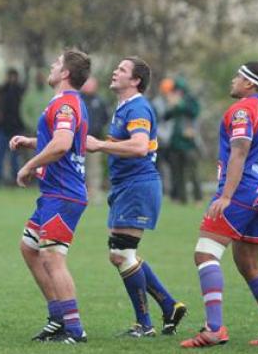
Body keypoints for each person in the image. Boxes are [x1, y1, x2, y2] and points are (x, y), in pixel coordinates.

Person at [181, 62, 258, 348]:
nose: (233, 80)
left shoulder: (242, 110)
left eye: (238, 77)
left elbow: (239, 152)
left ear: (249, 84)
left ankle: (214, 329)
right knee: (249, 265)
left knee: (205, 254)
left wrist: (227, 196)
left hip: (241, 194)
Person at [86, 57, 187, 338]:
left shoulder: (139, 107)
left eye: (122, 69)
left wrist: (100, 145)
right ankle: (169, 306)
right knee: (120, 253)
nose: (115, 71)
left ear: (135, 81)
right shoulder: (124, 107)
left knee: (120, 254)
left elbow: (141, 146)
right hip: (126, 186)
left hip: (138, 185)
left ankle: (145, 324)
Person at [9, 49, 91, 344]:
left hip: (64, 193)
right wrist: (31, 142)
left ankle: (75, 328)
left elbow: (62, 144)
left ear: (66, 73)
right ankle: (57, 318)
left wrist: (29, 166)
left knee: (52, 257)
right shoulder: (62, 103)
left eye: (57, 63)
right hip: (52, 193)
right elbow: (58, 141)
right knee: (29, 248)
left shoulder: (67, 105)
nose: (52, 66)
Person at [165, 78, 203, 204]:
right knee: (177, 173)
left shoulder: (189, 100)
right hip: (174, 142)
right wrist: (171, 105)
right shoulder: (172, 100)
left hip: (189, 142)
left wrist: (180, 104)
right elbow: (166, 116)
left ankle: (198, 198)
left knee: (193, 172)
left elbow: (194, 112)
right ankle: (182, 199)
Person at [0, 68, 26, 187]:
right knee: (0, 155)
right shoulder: (1, 91)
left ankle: (15, 179)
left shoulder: (21, 92)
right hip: (3, 127)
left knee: (14, 157)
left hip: (15, 128)